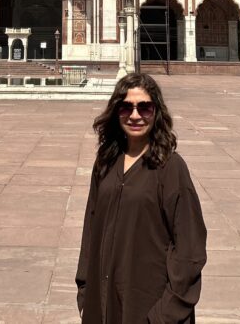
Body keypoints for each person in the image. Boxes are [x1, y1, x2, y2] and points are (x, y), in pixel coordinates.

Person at [76, 74, 207, 323]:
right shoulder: (106, 162)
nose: (135, 115)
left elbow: (190, 248)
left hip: (149, 308)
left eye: (144, 107)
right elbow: (90, 229)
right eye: (126, 107)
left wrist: (165, 314)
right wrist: (84, 290)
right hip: (102, 304)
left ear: (156, 112)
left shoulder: (170, 167)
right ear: (116, 112)